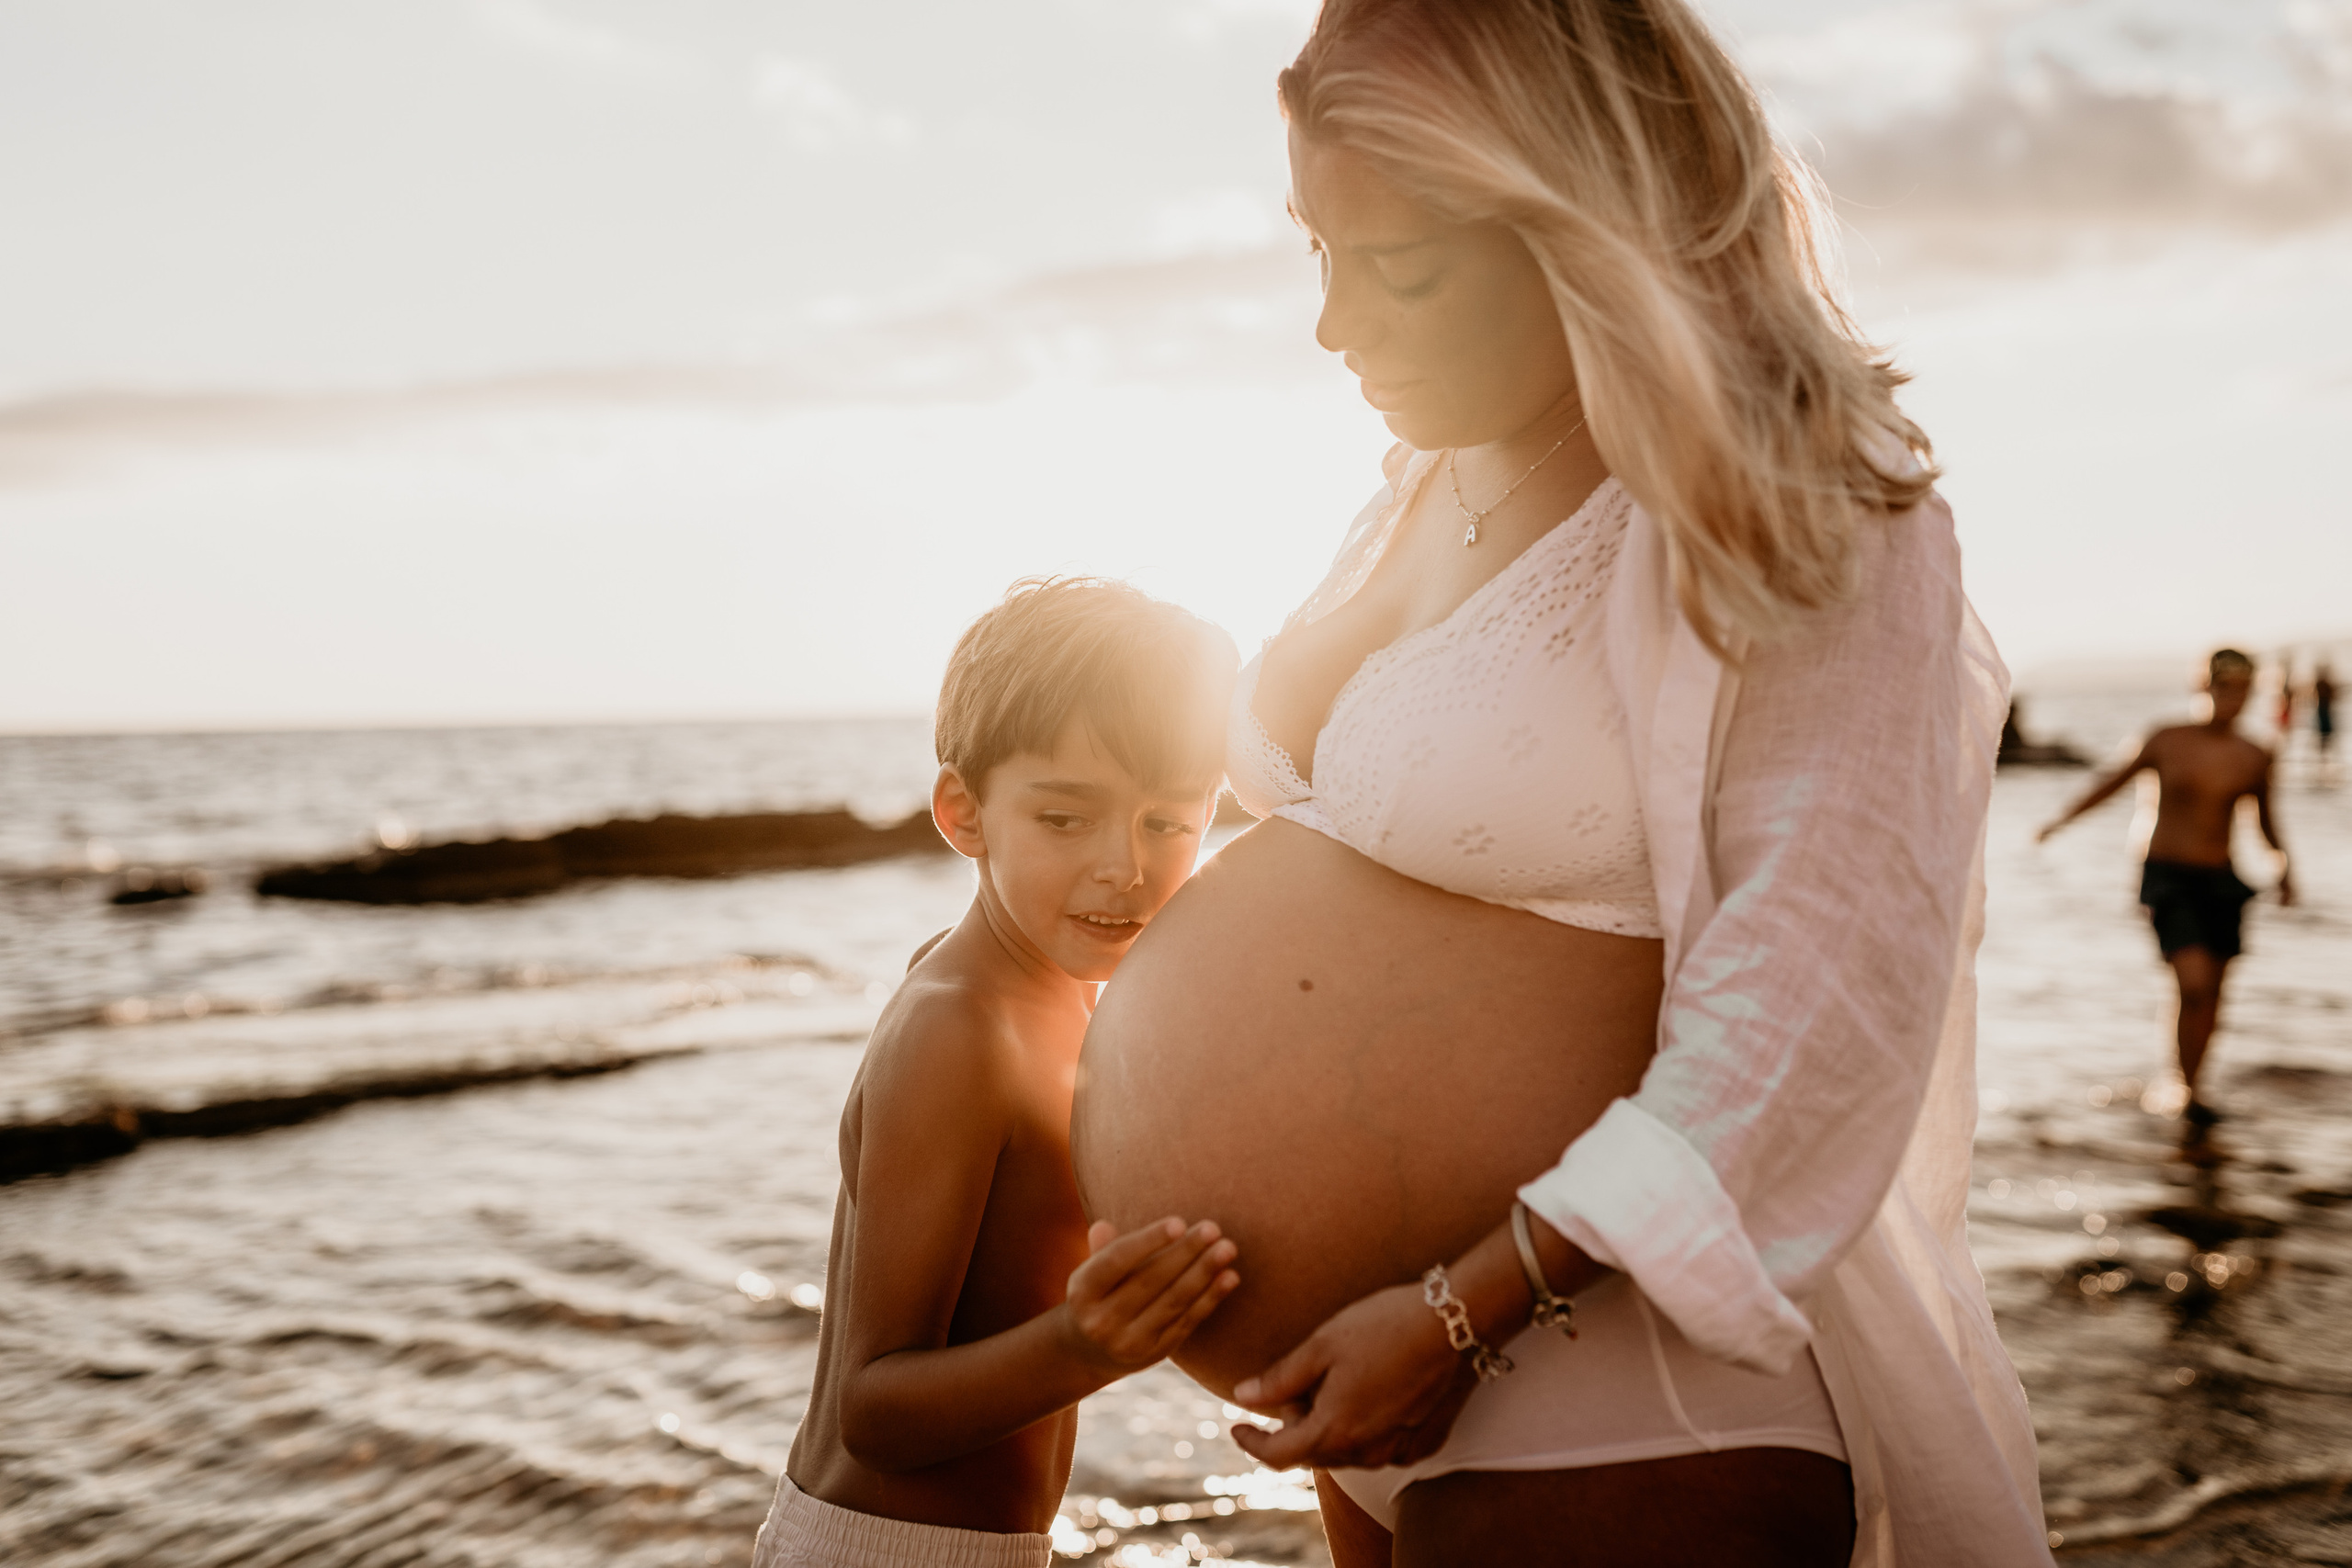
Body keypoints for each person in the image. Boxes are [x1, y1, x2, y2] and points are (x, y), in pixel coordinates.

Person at [1069, 1, 2047, 1562]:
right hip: (1363, 1393)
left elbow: (1810, 996)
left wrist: (1465, 1308)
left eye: (1394, 266)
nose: (1333, 323)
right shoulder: (1419, 484)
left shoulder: (1808, 510)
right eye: (1315, 248)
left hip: (1617, 1392)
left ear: (1584, 230)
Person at [756, 580, 1242, 1568]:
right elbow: (873, 1409)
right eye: (1067, 819)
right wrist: (1086, 1345)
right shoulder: (962, 1031)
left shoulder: (1039, 990)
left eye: (1167, 824)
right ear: (962, 812)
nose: (1124, 867)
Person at [2040, 649, 2294, 1121]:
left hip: (2222, 880)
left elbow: (2266, 820)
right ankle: (2181, 1084)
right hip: (2168, 876)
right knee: (2193, 983)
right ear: (2205, 687)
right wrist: (2058, 822)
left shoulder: (2255, 754)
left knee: (2213, 993)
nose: (2232, 700)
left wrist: (2285, 869)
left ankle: (2192, 1089)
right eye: (2223, 688)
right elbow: (2110, 783)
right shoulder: (2166, 738)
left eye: (2242, 690)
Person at [2316, 660, 2338, 763]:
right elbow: (2334, 696)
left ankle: (2324, 757)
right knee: (2326, 735)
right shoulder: (2323, 684)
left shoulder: (2321, 684)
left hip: (2324, 711)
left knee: (2324, 736)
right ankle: (2325, 757)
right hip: (2324, 711)